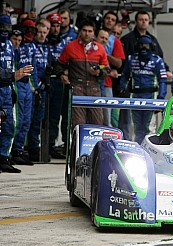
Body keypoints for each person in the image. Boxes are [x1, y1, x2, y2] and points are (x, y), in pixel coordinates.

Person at [119, 11, 169, 140]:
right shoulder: (131, 59)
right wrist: (122, 89)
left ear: (152, 46)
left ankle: (148, 152)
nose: (144, 48)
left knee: (149, 127)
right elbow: (124, 75)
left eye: (146, 46)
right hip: (134, 96)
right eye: (141, 45)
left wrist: (161, 97)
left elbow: (162, 80)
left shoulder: (157, 60)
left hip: (151, 97)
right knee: (134, 127)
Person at [55, 19, 110, 130]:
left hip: (94, 88)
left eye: (90, 31)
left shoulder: (100, 49)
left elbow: (106, 69)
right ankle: (76, 147)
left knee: (97, 123)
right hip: (76, 88)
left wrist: (99, 72)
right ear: (80, 31)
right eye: (84, 30)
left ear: (94, 33)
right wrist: (62, 75)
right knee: (77, 125)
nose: (87, 33)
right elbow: (58, 65)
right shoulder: (70, 47)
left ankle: (96, 147)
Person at [0, 14, 33, 173]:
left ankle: (3, 158)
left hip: (6, 89)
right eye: (2, 27)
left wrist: (12, 87)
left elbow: (11, 67)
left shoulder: (8, 46)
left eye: (7, 28)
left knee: (9, 125)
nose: (4, 31)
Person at [10, 19, 40, 166]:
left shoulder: (33, 47)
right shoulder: (13, 48)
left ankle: (18, 150)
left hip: (27, 86)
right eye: (27, 29)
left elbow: (33, 67)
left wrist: (36, 88)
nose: (29, 33)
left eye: (32, 30)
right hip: (16, 85)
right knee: (17, 121)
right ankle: (10, 151)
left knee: (26, 121)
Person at [45, 12, 68, 159]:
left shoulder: (65, 42)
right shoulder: (43, 41)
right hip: (47, 81)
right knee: (45, 116)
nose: (55, 28)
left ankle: (54, 145)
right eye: (52, 25)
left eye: (57, 25)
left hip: (59, 82)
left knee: (57, 115)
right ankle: (45, 145)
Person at [27, 21, 50, 162]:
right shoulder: (31, 47)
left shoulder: (46, 47)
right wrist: (37, 86)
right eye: (39, 32)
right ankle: (25, 148)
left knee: (38, 121)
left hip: (44, 88)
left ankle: (35, 148)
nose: (42, 35)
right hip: (33, 87)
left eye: (44, 32)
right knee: (27, 120)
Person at [100, 11, 125, 127]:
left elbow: (119, 63)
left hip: (107, 84)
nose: (109, 21)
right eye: (107, 18)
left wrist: (104, 54)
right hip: (88, 84)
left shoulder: (116, 41)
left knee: (107, 119)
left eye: (113, 19)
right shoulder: (91, 36)